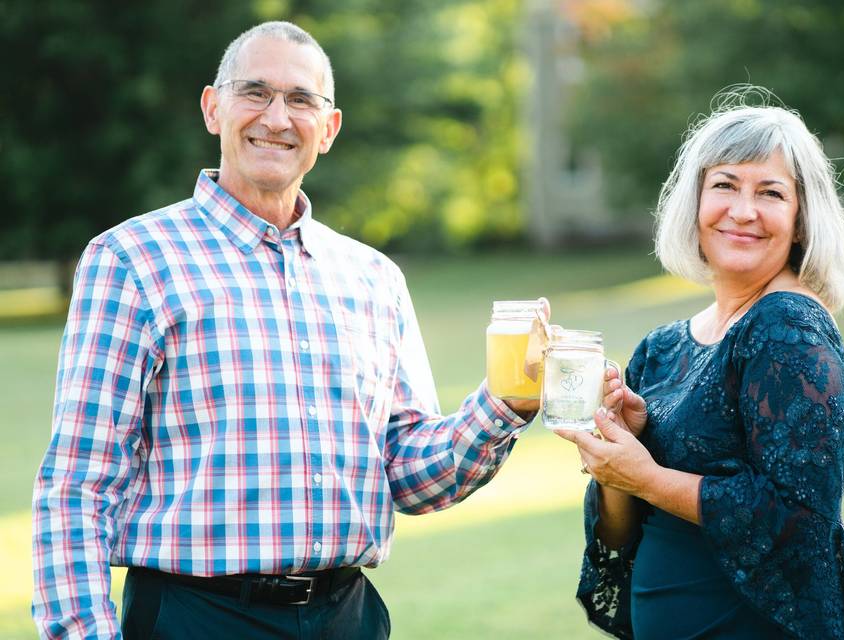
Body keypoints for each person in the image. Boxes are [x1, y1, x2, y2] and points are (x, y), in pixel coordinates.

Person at [32, 21, 542, 639]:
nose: (276, 117)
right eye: (255, 92)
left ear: (327, 130)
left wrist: (503, 404)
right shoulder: (132, 260)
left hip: (348, 617)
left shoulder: (373, 278)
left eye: (301, 99)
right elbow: (79, 483)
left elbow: (408, 475)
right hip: (196, 619)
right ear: (212, 108)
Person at [556, 87, 844, 639]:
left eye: (771, 193)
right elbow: (619, 537)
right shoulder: (662, 348)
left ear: (802, 219)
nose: (743, 210)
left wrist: (652, 476)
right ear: (695, 202)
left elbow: (799, 521)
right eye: (725, 185)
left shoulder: (788, 329)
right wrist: (618, 456)